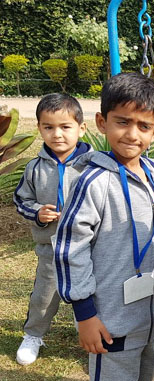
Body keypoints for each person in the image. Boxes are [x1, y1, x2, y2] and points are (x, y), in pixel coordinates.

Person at [53, 72, 154, 381]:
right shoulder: (92, 182)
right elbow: (69, 249)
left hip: (148, 314)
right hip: (110, 320)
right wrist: (85, 315)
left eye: (143, 126)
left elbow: (152, 231)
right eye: (122, 122)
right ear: (102, 122)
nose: (132, 134)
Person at [13, 93, 92, 366]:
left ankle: (90, 334)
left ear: (81, 128)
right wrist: (38, 213)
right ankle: (33, 334)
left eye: (65, 126)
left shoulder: (94, 164)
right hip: (51, 248)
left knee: (91, 294)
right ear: (39, 128)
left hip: (89, 247)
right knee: (44, 296)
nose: (57, 134)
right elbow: (21, 200)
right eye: (48, 127)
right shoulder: (34, 168)